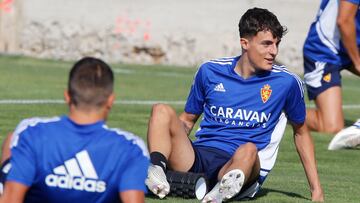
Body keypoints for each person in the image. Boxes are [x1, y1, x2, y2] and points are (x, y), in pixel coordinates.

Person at [145, 7, 324, 203]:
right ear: (244, 43)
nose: (273, 51)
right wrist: (168, 148)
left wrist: (316, 191)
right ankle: (156, 171)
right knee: (161, 110)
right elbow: (187, 122)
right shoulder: (209, 71)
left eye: (276, 44)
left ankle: (222, 190)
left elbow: (301, 133)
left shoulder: (287, 82)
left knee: (247, 149)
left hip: (243, 164)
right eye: (266, 44)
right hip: (199, 156)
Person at [0, 57, 149, 203]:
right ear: (110, 100)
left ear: (67, 96)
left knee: (11, 140)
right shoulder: (130, 148)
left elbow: (11, 199)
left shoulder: (33, 134)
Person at [303, 0, 360, 149]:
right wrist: (358, 62)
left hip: (351, 45)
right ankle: (281, 106)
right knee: (331, 126)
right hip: (324, 51)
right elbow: (344, 21)